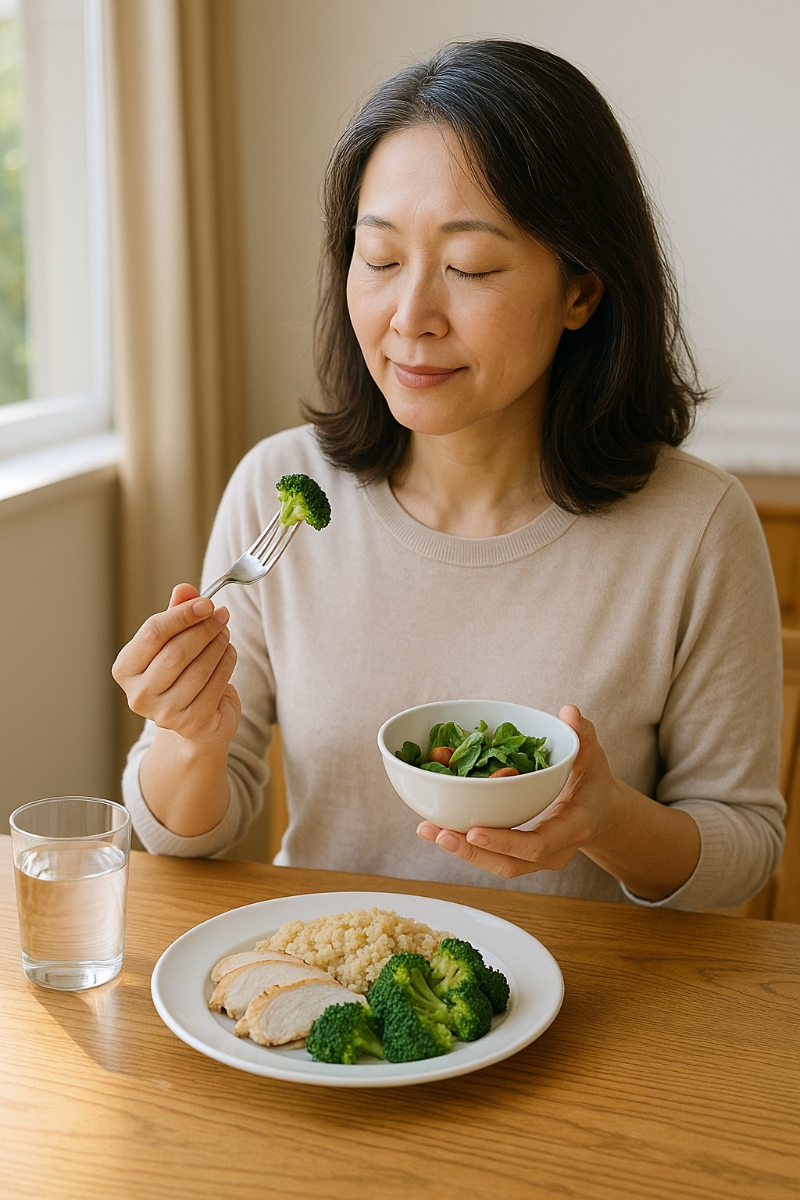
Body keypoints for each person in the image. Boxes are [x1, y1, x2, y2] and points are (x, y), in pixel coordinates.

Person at [113, 39, 784, 909]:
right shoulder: (278, 493)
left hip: (592, 1015)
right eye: (380, 260)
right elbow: (185, 836)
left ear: (582, 291)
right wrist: (191, 740)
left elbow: (743, 847)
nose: (410, 317)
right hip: (332, 1004)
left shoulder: (694, 527)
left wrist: (605, 818)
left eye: (469, 268)